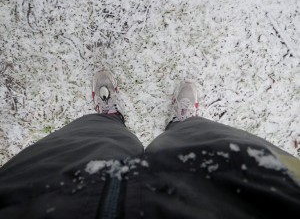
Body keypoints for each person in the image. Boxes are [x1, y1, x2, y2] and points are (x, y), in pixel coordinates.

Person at [0, 70, 300, 219]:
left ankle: (109, 118)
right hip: (257, 196)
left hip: (36, 195)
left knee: (91, 140)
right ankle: (183, 123)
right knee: (202, 139)